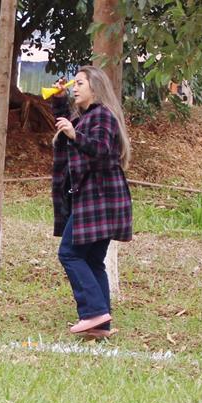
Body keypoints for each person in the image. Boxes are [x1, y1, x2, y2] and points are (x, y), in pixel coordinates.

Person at [49, 67, 132, 339]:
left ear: (95, 88)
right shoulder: (87, 117)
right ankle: (100, 325)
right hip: (98, 199)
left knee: (70, 253)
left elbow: (102, 149)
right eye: (74, 83)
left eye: (80, 83)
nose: (75, 87)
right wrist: (59, 100)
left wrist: (75, 136)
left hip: (99, 199)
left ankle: (93, 312)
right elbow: (68, 124)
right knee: (93, 259)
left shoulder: (103, 116)